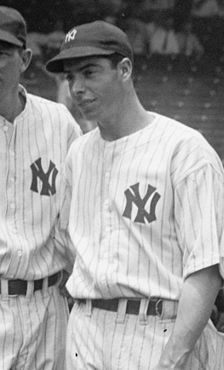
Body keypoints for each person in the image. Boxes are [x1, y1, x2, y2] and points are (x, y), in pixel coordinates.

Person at [46, 20, 224, 369]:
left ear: (125, 69)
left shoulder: (185, 151)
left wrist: (172, 358)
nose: (77, 88)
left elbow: (205, 271)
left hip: (157, 327)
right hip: (85, 328)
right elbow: (70, 248)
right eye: (70, 78)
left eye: (89, 72)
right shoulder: (78, 154)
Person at [0, 6, 80, 370]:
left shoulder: (58, 122)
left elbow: (81, 215)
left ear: (25, 58)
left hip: (46, 305)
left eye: (1, 54)